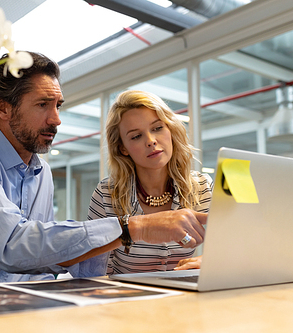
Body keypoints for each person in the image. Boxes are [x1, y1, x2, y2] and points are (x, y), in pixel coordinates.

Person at [0, 52, 208, 289]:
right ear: (3, 107)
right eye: (43, 105)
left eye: (58, 105)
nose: (56, 119)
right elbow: (13, 246)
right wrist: (132, 228)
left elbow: (41, 258)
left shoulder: (40, 172)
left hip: (0, 302)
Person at [87, 90, 213, 275]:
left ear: (170, 129)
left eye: (157, 128)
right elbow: (95, 269)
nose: (151, 141)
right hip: (127, 299)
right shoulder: (107, 193)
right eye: (136, 136)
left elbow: (238, 246)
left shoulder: (202, 186)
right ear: (123, 148)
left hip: (185, 297)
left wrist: (209, 262)